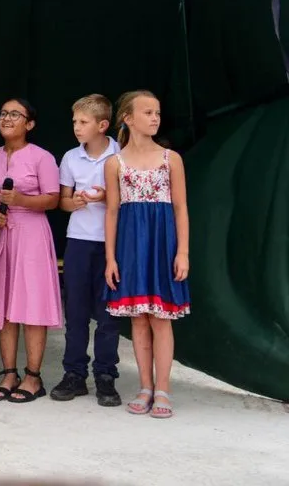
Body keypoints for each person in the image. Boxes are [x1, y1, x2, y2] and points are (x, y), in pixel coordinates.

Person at [104, 90, 190, 419]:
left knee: (161, 318)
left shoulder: (171, 159)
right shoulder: (115, 163)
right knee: (139, 319)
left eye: (157, 112)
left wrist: (182, 252)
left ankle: (164, 388)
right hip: (131, 245)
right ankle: (145, 386)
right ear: (128, 118)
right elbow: (111, 212)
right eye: (147, 112)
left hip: (163, 244)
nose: (155, 118)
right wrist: (111, 258)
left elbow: (181, 209)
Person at [0, 98, 62, 403]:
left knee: (32, 305)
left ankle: (33, 377)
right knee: (5, 306)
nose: (7, 118)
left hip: (32, 236)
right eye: (3, 113)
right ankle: (9, 372)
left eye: (15, 115)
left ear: (29, 124)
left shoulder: (42, 158)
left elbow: (53, 199)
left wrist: (22, 201)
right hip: (1, 236)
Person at [51, 94, 122, 407]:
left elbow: (127, 201)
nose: (77, 127)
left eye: (83, 122)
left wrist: (108, 196)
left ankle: (106, 375)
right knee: (76, 312)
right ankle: (74, 374)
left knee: (109, 314)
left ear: (102, 125)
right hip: (79, 241)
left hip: (112, 243)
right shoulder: (70, 158)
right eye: (74, 122)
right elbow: (62, 201)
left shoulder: (121, 156)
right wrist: (75, 202)